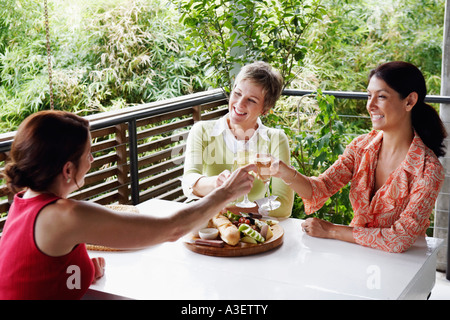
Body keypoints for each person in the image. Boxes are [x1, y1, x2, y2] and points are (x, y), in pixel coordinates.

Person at [0, 110, 256, 299]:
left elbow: (39, 273)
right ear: (68, 169)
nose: (91, 160)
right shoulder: (64, 215)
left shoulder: (23, 203)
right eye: (89, 153)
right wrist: (225, 193)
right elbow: (172, 229)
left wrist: (83, 270)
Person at [271, 61, 446, 253]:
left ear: (410, 101)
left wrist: (332, 231)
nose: (370, 105)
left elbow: (399, 238)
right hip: (360, 253)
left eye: (381, 97)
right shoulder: (360, 147)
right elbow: (318, 189)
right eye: (369, 96)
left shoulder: (428, 170)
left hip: (406, 263)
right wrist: (283, 171)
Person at [182, 61, 294, 217]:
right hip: (210, 225)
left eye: (251, 100)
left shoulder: (276, 139)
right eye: (237, 93)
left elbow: (284, 204)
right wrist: (216, 183)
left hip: (252, 228)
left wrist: (234, 211)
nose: (239, 104)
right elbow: (188, 182)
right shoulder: (202, 131)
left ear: (265, 109)